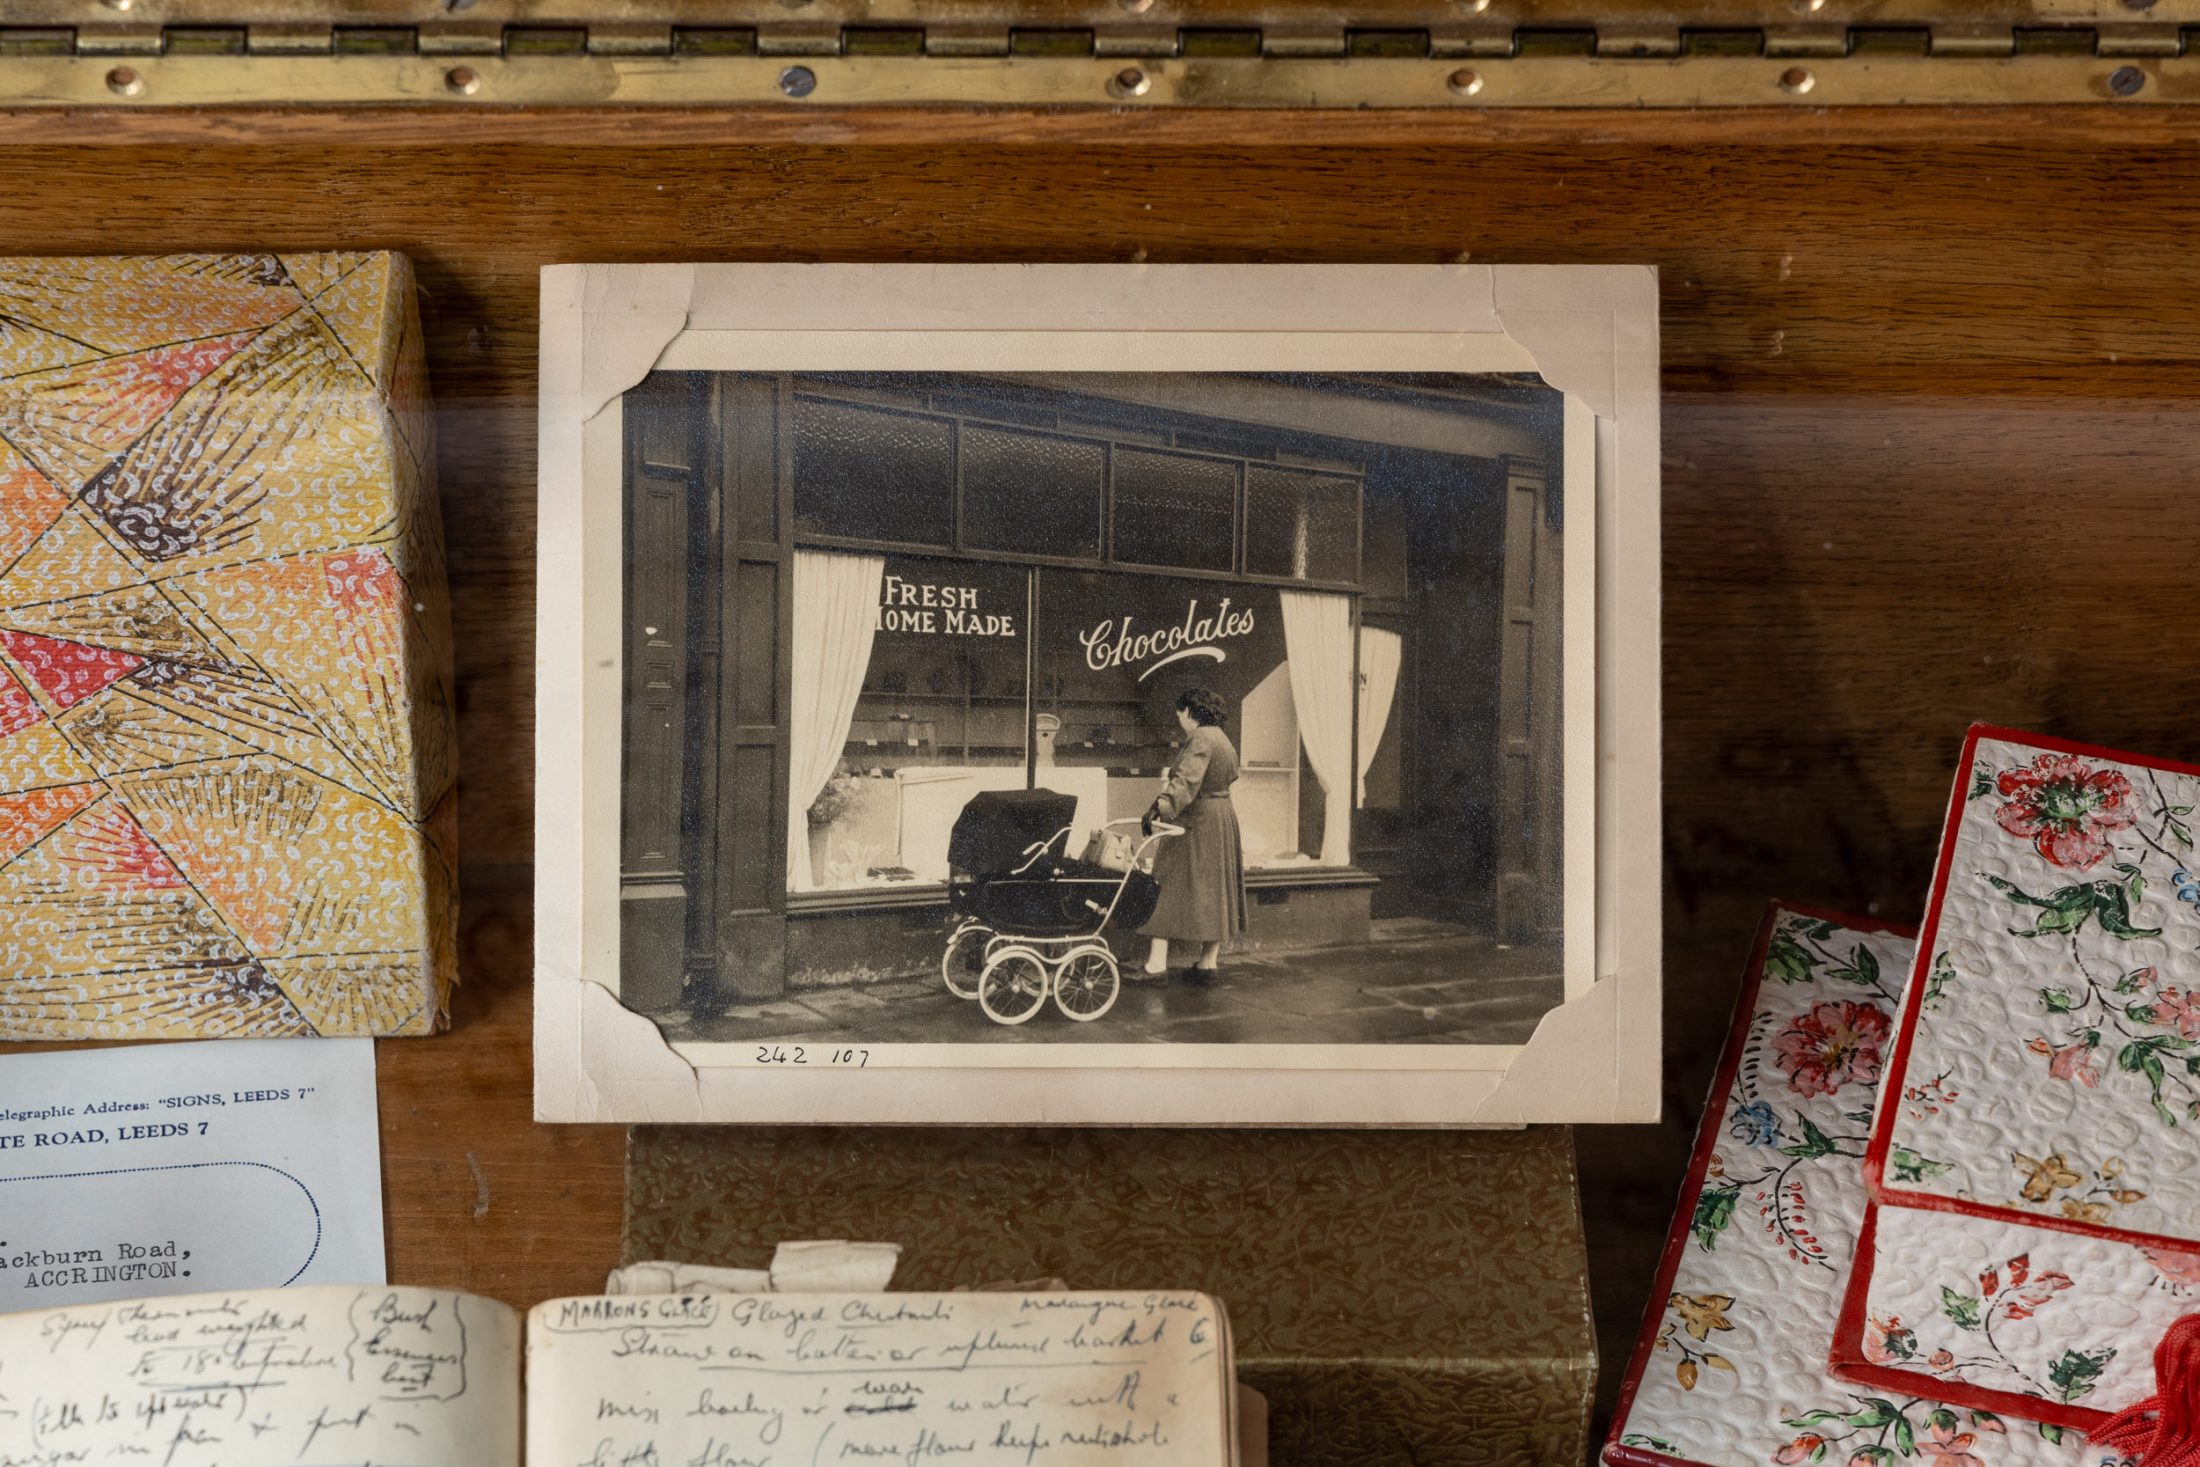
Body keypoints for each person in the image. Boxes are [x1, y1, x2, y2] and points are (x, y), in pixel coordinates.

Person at [1139, 687, 1248, 982]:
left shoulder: (1200, 738)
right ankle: (1207, 964)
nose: (1178, 719)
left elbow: (1187, 780)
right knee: (1216, 889)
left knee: (1163, 880)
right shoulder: (1223, 738)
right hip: (1222, 817)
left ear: (1190, 712)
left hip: (1197, 821)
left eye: (1180, 713)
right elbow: (1230, 774)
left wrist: (1159, 808)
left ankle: (1155, 965)